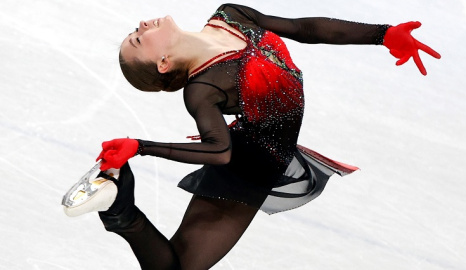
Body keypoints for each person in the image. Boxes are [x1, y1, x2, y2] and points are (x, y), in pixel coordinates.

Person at [64, 3, 441, 269]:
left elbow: (304, 28)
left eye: (135, 31)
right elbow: (220, 152)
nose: (142, 26)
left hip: (269, 154)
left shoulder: (231, 16)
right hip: (248, 170)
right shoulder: (203, 87)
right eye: (138, 40)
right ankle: (119, 211)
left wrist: (383, 35)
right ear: (163, 63)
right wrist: (141, 147)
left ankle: (119, 210)